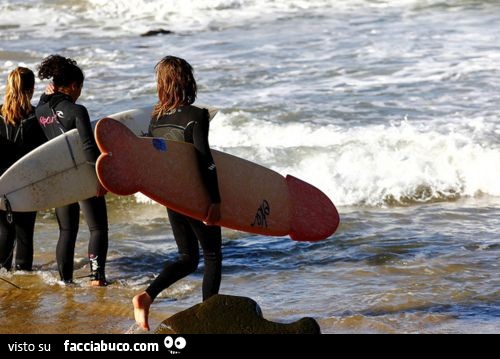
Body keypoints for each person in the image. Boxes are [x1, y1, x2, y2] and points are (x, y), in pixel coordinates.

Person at [133, 56, 223, 330]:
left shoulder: (156, 119)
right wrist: (215, 200)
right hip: (195, 196)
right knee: (212, 256)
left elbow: (155, 161)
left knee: (188, 258)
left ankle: (146, 296)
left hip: (172, 197)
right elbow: (205, 160)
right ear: (187, 80)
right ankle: (210, 317)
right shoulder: (197, 116)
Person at [35, 55, 108, 286]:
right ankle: (97, 278)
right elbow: (88, 147)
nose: (80, 94)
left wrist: (45, 96)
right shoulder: (78, 110)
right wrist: (100, 176)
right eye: (80, 88)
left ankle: (65, 281)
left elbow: (42, 106)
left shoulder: (41, 110)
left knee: (66, 231)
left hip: (59, 176)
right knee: (97, 229)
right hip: (82, 175)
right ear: (74, 86)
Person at [0, 67, 46, 271]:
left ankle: (3, 276)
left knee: (4, 232)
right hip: (27, 182)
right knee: (25, 233)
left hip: (1, 183)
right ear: (32, 89)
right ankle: (24, 274)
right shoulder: (36, 117)